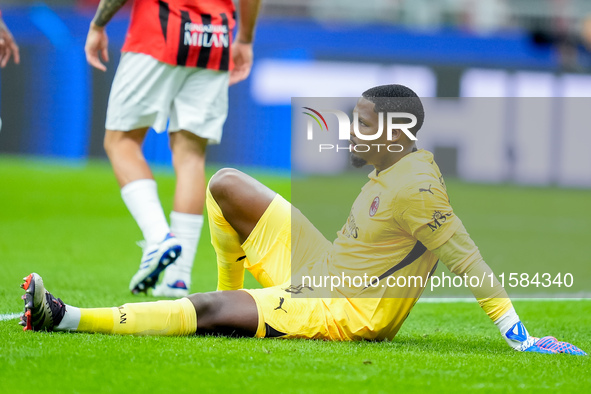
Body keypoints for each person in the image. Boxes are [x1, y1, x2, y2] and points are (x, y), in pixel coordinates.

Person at [19, 85, 586, 355]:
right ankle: (234, 300)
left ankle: (64, 318)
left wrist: (521, 337)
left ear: (392, 131)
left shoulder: (415, 188)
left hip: (344, 310)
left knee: (210, 313)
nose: (351, 131)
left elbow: (467, 258)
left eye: (363, 123)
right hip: (326, 269)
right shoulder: (396, 168)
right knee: (226, 186)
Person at [84, 0, 261, 297]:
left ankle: (158, 237)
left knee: (121, 141)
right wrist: (244, 38)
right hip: (214, 38)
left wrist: (98, 24)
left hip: (158, 30)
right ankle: (178, 279)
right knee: (190, 155)